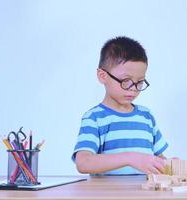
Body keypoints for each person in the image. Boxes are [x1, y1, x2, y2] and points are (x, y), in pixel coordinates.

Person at [72, 36, 168, 175]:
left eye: (140, 82)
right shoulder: (94, 118)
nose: (133, 89)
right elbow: (83, 163)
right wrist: (130, 158)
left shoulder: (146, 116)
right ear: (102, 76)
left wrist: (169, 164)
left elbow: (158, 158)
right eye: (126, 81)